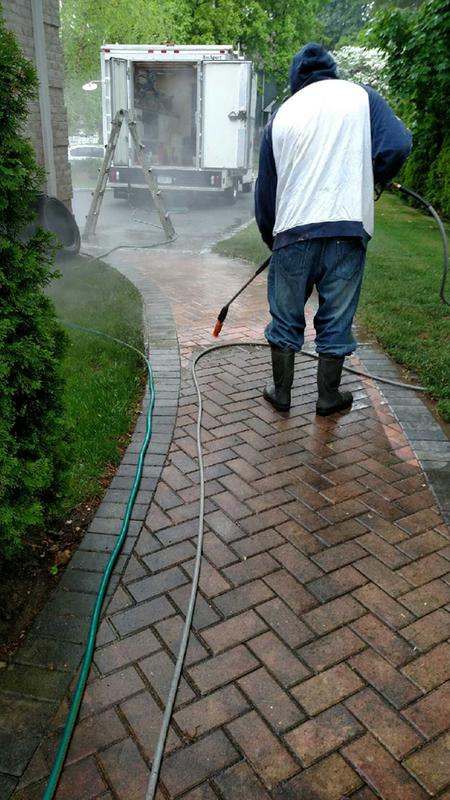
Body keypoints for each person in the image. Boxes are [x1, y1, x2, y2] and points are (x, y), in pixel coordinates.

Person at [255, 42, 412, 416]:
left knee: (285, 316)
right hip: (347, 229)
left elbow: (266, 191)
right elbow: (398, 145)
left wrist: (270, 237)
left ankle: (281, 393)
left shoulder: (282, 115)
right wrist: (372, 173)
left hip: (292, 234)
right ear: (332, 71)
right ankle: (328, 397)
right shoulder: (362, 97)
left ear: (296, 79)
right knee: (336, 318)